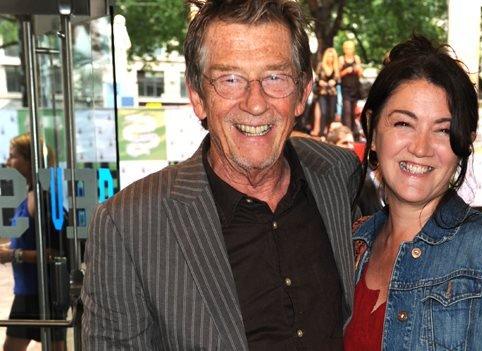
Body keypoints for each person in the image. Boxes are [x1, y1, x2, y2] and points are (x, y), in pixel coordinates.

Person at [81, 1, 361, 350]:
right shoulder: (129, 225)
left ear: (303, 92)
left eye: (275, 77)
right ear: (198, 95)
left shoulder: (339, 176)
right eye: (230, 79)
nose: (255, 103)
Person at [344, 35, 482, 350]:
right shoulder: (350, 245)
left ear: (464, 143)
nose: (420, 148)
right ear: (373, 131)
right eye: (403, 123)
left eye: (442, 130)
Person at [0, 134, 66, 351]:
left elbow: (55, 253)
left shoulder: (42, 198)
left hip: (40, 293)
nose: (8, 162)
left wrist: (13, 255)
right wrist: (8, 249)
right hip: (29, 291)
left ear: (30, 161)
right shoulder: (30, 195)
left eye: (13, 157)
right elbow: (28, 242)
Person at [339, 40, 363, 131]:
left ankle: (354, 132)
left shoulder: (356, 58)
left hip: (355, 88)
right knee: (347, 111)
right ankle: (347, 131)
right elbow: (337, 75)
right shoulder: (341, 59)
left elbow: (361, 73)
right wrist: (346, 71)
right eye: (348, 48)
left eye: (351, 48)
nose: (349, 50)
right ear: (345, 49)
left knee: (354, 111)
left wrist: (358, 69)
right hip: (345, 88)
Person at [315, 47, 340, 136]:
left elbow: (338, 80)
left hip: (332, 93)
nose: (330, 58)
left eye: (332, 57)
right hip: (323, 93)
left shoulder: (336, 67)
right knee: (324, 113)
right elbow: (316, 78)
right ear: (326, 57)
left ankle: (329, 134)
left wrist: (334, 81)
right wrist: (320, 82)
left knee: (331, 114)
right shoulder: (321, 65)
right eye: (329, 56)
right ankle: (321, 133)